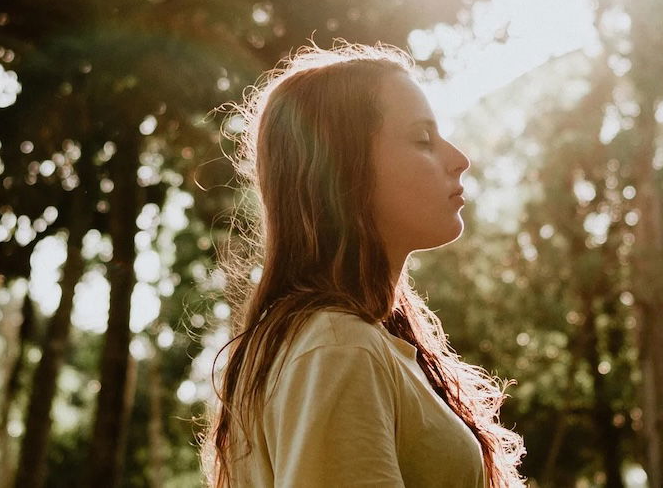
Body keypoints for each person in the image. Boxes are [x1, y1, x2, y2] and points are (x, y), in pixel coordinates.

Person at [199, 41, 526, 487]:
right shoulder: (339, 348)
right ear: (342, 172)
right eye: (422, 139)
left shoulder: (353, 342)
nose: (459, 160)